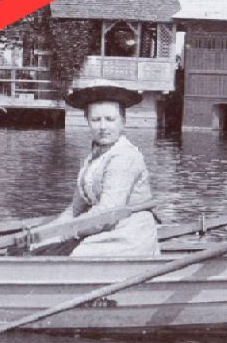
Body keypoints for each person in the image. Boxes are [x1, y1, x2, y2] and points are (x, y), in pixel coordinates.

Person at [40, 82, 160, 258]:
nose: (103, 127)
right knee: (40, 247)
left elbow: (106, 212)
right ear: (87, 122)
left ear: (123, 122)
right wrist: (46, 234)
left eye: (110, 119)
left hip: (128, 238)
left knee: (61, 254)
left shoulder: (125, 156)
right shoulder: (93, 158)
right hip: (102, 231)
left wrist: (65, 233)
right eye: (96, 120)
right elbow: (75, 209)